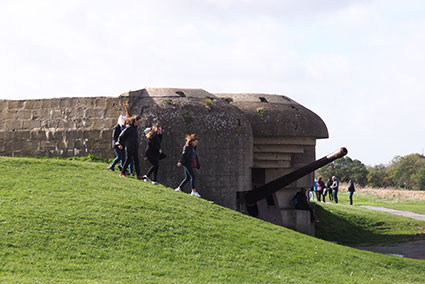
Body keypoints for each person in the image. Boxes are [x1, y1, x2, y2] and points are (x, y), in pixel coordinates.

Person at [116, 115, 143, 179]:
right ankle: (122, 172)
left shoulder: (135, 129)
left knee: (136, 161)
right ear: (135, 120)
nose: (139, 123)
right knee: (128, 159)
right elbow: (121, 136)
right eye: (139, 122)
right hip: (129, 146)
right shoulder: (129, 128)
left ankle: (138, 175)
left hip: (134, 146)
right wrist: (120, 143)